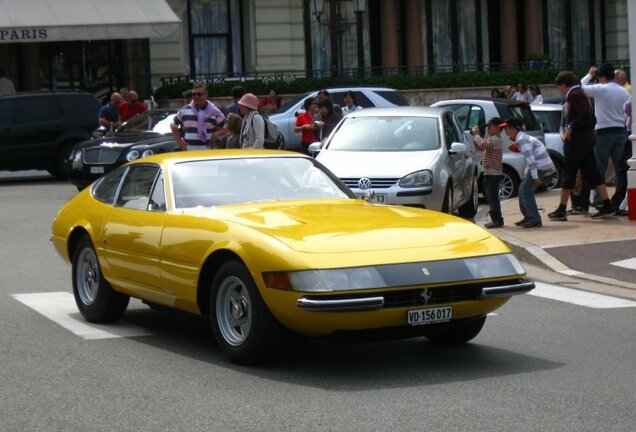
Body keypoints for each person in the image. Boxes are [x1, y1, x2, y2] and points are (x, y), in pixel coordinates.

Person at [548, 71, 616, 221]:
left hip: (577, 141)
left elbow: (586, 115)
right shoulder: (581, 93)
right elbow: (591, 117)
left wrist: (571, 127)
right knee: (592, 172)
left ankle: (561, 208)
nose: (560, 90)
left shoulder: (574, 95)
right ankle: (607, 204)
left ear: (564, 84)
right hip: (586, 140)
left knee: (569, 173)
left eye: (560, 87)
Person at [580, 63, 629, 209]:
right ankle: (620, 200)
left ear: (601, 77)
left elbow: (578, 86)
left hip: (603, 132)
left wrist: (589, 74)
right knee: (620, 168)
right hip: (621, 131)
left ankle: (599, 199)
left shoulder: (600, 89)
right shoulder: (624, 92)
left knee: (599, 167)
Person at [501, 117, 555, 228]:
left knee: (525, 191)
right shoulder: (522, 138)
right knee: (522, 190)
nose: (505, 131)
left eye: (506, 128)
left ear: (513, 129)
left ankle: (534, 219)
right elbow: (529, 159)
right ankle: (528, 217)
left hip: (540, 167)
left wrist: (535, 176)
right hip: (538, 167)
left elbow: (531, 160)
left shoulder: (522, 140)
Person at [170, 82, 226, 151]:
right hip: (190, 153)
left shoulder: (214, 111)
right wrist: (180, 142)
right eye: (194, 94)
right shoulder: (184, 111)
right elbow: (173, 125)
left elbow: (228, 127)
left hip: (209, 154)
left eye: (199, 94)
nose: (196, 96)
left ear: (206, 95)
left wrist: (217, 134)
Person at [471, 117, 504, 228]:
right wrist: (475, 137)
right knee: (491, 198)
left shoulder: (497, 140)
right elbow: (480, 147)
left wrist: (476, 135)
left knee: (493, 198)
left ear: (497, 128)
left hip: (493, 174)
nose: (488, 129)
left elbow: (483, 145)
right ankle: (496, 219)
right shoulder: (492, 139)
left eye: (490, 127)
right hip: (489, 173)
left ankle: (497, 220)